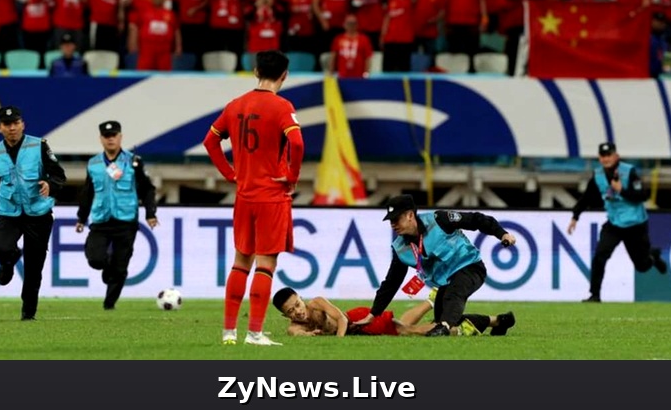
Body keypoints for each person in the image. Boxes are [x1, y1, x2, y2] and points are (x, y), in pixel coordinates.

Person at [202, 50, 305, 346]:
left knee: (240, 262)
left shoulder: (236, 105)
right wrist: (293, 177)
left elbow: (210, 141)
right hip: (272, 195)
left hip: (244, 195)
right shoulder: (282, 106)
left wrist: (230, 173)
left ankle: (229, 333)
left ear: (256, 70)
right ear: (284, 75)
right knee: (265, 265)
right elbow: (296, 142)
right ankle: (255, 333)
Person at [351, 194, 517, 337]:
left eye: (396, 219)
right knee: (445, 318)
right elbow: (391, 283)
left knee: (452, 301)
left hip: (470, 267)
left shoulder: (439, 219)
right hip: (446, 281)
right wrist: (373, 314)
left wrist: (502, 233)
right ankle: (499, 321)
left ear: (410, 215)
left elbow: (476, 219)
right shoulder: (400, 248)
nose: (392, 224)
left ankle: (444, 327)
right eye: (390, 220)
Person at [0, 105, 66, 320]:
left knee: (34, 267)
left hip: (38, 213)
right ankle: (8, 261)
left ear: (23, 124)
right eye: (7, 124)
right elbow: (0, 179)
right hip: (10, 211)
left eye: (16, 123)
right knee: (1, 246)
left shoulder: (39, 145)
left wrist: (50, 184)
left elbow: (59, 175)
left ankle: (28, 312)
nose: (12, 128)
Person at [568, 142, 668, 303]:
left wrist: (622, 190)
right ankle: (595, 295)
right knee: (600, 255)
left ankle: (653, 257)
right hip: (614, 223)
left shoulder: (629, 172)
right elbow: (586, 197)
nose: (606, 158)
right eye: (603, 156)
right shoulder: (598, 175)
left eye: (609, 155)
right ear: (599, 158)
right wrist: (575, 216)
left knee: (641, 266)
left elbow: (642, 195)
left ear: (616, 156)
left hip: (635, 224)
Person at [75, 121, 158, 310]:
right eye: (107, 136)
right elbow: (88, 192)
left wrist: (150, 213)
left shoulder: (133, 161)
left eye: (114, 135)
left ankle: (109, 304)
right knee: (95, 259)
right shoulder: (94, 163)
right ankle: (106, 267)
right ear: (101, 139)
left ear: (120, 137)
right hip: (101, 219)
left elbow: (147, 189)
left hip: (126, 220)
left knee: (120, 267)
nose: (110, 139)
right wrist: (82, 217)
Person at [273, 287, 515, 337]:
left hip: (357, 320)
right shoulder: (294, 327)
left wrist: (338, 343)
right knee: (403, 328)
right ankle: (498, 321)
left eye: (297, 304)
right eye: (291, 311)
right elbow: (297, 334)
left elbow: (340, 319)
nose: (298, 312)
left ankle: (474, 325)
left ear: (301, 299)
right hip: (357, 331)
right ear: (286, 315)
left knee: (410, 332)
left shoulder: (317, 302)